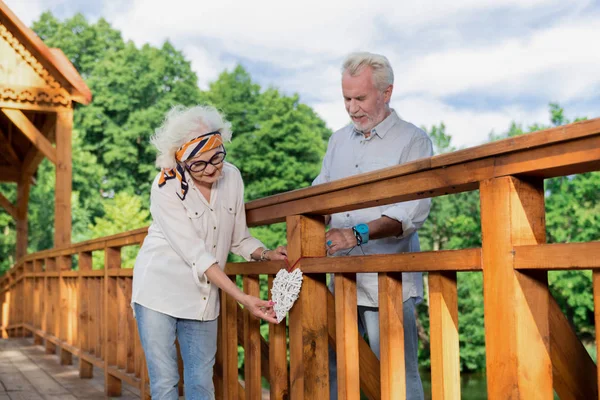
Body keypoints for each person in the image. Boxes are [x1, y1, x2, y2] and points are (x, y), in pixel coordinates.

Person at [131, 105, 287, 400]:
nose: (212, 169)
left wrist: (266, 254)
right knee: (165, 383)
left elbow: (239, 238)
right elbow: (198, 256)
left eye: (216, 157)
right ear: (180, 159)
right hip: (157, 292)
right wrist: (242, 298)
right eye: (199, 164)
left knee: (201, 383)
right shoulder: (165, 187)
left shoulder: (233, 177)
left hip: (202, 299)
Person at [314, 52, 432, 400]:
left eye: (360, 98)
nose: (352, 108)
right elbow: (318, 197)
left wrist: (355, 234)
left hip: (388, 282)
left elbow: (412, 211)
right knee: (335, 374)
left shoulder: (414, 140)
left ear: (386, 92)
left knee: (397, 377)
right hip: (340, 280)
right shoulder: (337, 141)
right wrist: (301, 236)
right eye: (346, 98)